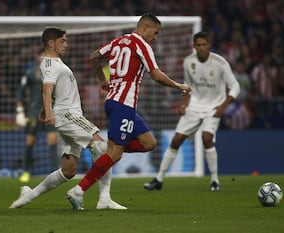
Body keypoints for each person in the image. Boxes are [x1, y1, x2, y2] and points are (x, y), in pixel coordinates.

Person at [64, 13, 192, 210]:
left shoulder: (118, 41)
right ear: (146, 27)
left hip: (117, 103)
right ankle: (78, 190)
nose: (155, 37)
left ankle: (106, 148)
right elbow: (156, 74)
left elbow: (94, 57)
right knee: (115, 154)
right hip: (123, 103)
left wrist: (102, 80)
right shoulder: (142, 45)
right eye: (155, 33)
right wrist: (178, 86)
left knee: (149, 143)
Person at [9, 26, 126, 210]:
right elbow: (47, 88)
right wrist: (48, 113)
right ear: (51, 42)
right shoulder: (49, 63)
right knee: (103, 148)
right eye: (62, 41)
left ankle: (29, 195)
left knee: (68, 170)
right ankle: (104, 199)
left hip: (68, 115)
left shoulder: (54, 63)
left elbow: (47, 89)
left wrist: (44, 108)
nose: (66, 44)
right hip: (68, 115)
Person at [144, 31, 240, 191]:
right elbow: (188, 85)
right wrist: (184, 104)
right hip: (194, 106)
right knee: (176, 140)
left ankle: (215, 181)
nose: (201, 48)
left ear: (209, 45)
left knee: (207, 138)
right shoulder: (188, 62)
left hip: (213, 107)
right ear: (194, 46)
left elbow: (234, 86)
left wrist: (223, 106)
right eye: (198, 45)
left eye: (204, 44)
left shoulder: (220, 63)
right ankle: (158, 179)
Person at [15, 51, 60, 183]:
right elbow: (20, 92)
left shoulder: (55, 73)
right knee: (30, 141)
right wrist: (19, 111)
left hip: (50, 112)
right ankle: (25, 171)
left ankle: (56, 172)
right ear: (38, 58)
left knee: (52, 140)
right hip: (34, 112)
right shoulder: (30, 73)